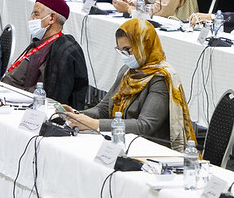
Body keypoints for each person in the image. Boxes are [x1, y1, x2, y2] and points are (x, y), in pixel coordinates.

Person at [63, 18, 196, 152]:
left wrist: (95, 124)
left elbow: (145, 125)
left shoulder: (160, 78)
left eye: (128, 50)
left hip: (148, 149)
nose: (125, 56)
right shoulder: (127, 71)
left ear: (144, 45)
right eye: (120, 50)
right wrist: (77, 115)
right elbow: (103, 109)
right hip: (121, 141)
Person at [2, 0, 88, 108]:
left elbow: (46, 95)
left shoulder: (60, 51)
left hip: (20, 105)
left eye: (36, 14)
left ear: (51, 18)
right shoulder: (39, 42)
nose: (30, 19)